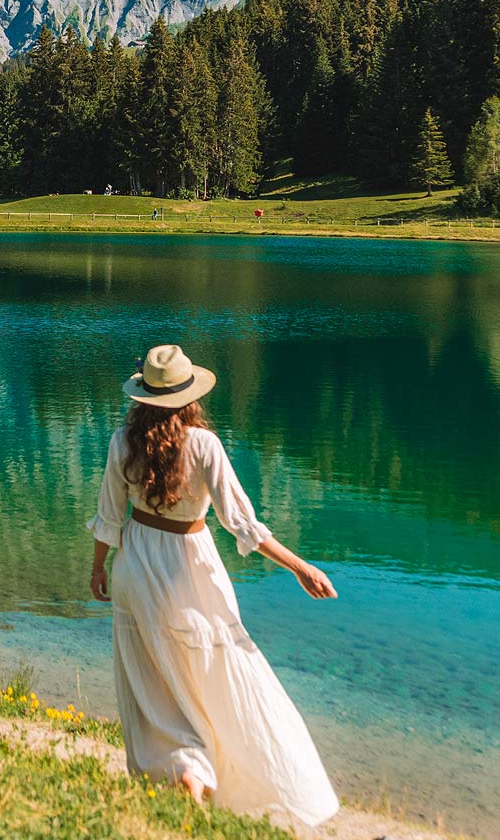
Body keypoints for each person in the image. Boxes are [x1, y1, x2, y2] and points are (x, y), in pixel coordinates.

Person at [88, 345, 340, 831]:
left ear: (143, 395)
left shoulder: (123, 441)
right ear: (189, 397)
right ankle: (211, 773)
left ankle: (183, 768)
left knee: (150, 682)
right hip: (191, 570)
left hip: (135, 566)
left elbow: (109, 516)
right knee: (218, 675)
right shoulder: (204, 446)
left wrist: (98, 569)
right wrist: (300, 567)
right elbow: (242, 524)